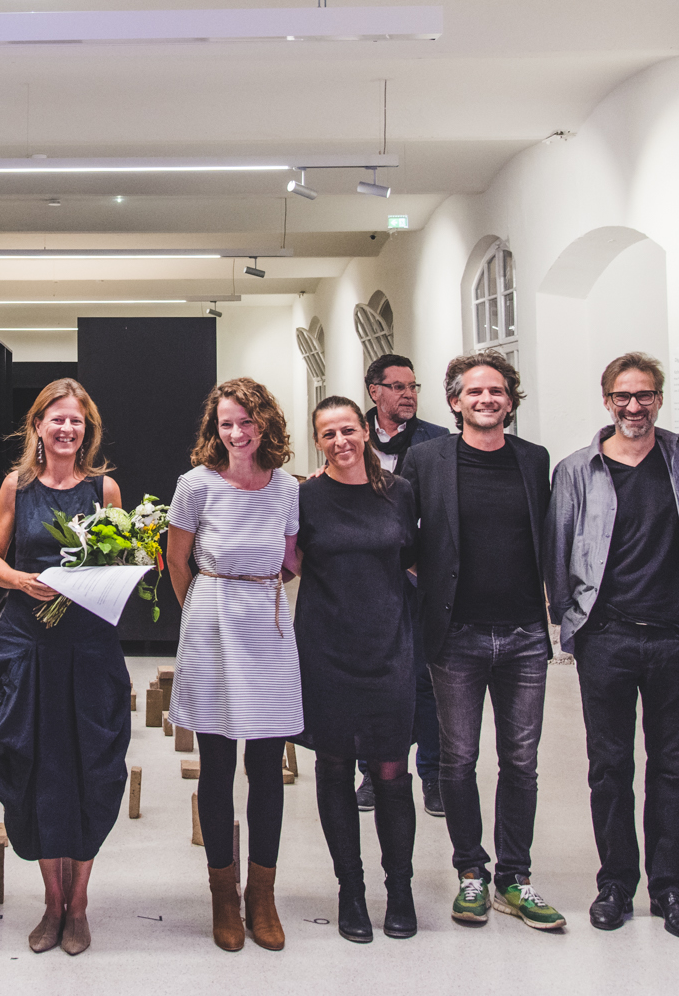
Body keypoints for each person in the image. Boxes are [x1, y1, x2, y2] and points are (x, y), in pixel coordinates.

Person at [547, 353, 679, 940]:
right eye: (623, 396)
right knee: (609, 767)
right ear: (607, 401)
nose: (634, 406)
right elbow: (559, 551)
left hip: (676, 638)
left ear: (660, 399)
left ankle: (669, 889)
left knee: (672, 768)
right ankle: (615, 883)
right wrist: (573, 624)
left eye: (645, 395)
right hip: (608, 638)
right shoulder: (576, 469)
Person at [398, 351, 565, 933]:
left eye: (496, 391)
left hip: (524, 634)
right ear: (455, 401)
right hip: (457, 635)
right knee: (459, 758)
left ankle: (514, 878)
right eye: (474, 392)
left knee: (521, 761)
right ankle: (471, 870)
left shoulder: (534, 459)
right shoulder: (427, 459)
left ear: (511, 401)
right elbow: (402, 532)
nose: (486, 399)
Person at [0, 379, 130, 957]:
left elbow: (123, 560)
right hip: (29, 643)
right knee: (34, 765)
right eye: (57, 419)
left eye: (77, 421)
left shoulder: (104, 488)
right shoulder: (16, 487)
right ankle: (51, 901)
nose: (67, 429)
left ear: (87, 430)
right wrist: (23, 580)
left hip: (88, 645)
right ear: (37, 426)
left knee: (92, 766)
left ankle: (80, 903)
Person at [165, 377, 302, 953]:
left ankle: (261, 897)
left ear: (265, 423)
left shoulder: (287, 487)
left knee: (267, 768)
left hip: (267, 625)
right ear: (214, 428)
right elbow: (177, 560)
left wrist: (258, 586)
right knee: (217, 767)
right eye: (227, 423)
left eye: (247, 421)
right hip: (211, 622)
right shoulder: (195, 484)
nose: (238, 433)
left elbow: (292, 558)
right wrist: (202, 612)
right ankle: (224, 895)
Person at [295, 396, 420, 943]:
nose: (340, 441)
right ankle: (351, 889)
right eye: (328, 434)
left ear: (365, 431)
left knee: (391, 770)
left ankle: (400, 888)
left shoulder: (399, 492)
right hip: (326, 648)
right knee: (334, 767)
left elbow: (411, 558)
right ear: (317, 441)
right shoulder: (305, 498)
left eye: (348, 429)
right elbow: (292, 562)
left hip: (389, 647)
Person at [361, 352, 447, 816]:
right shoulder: (353, 436)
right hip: (367, 579)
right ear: (374, 391)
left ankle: (433, 775)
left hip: (421, 577)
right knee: (371, 680)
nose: (408, 394)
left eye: (413, 386)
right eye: (398, 386)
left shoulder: (438, 439)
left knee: (426, 680)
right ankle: (372, 774)